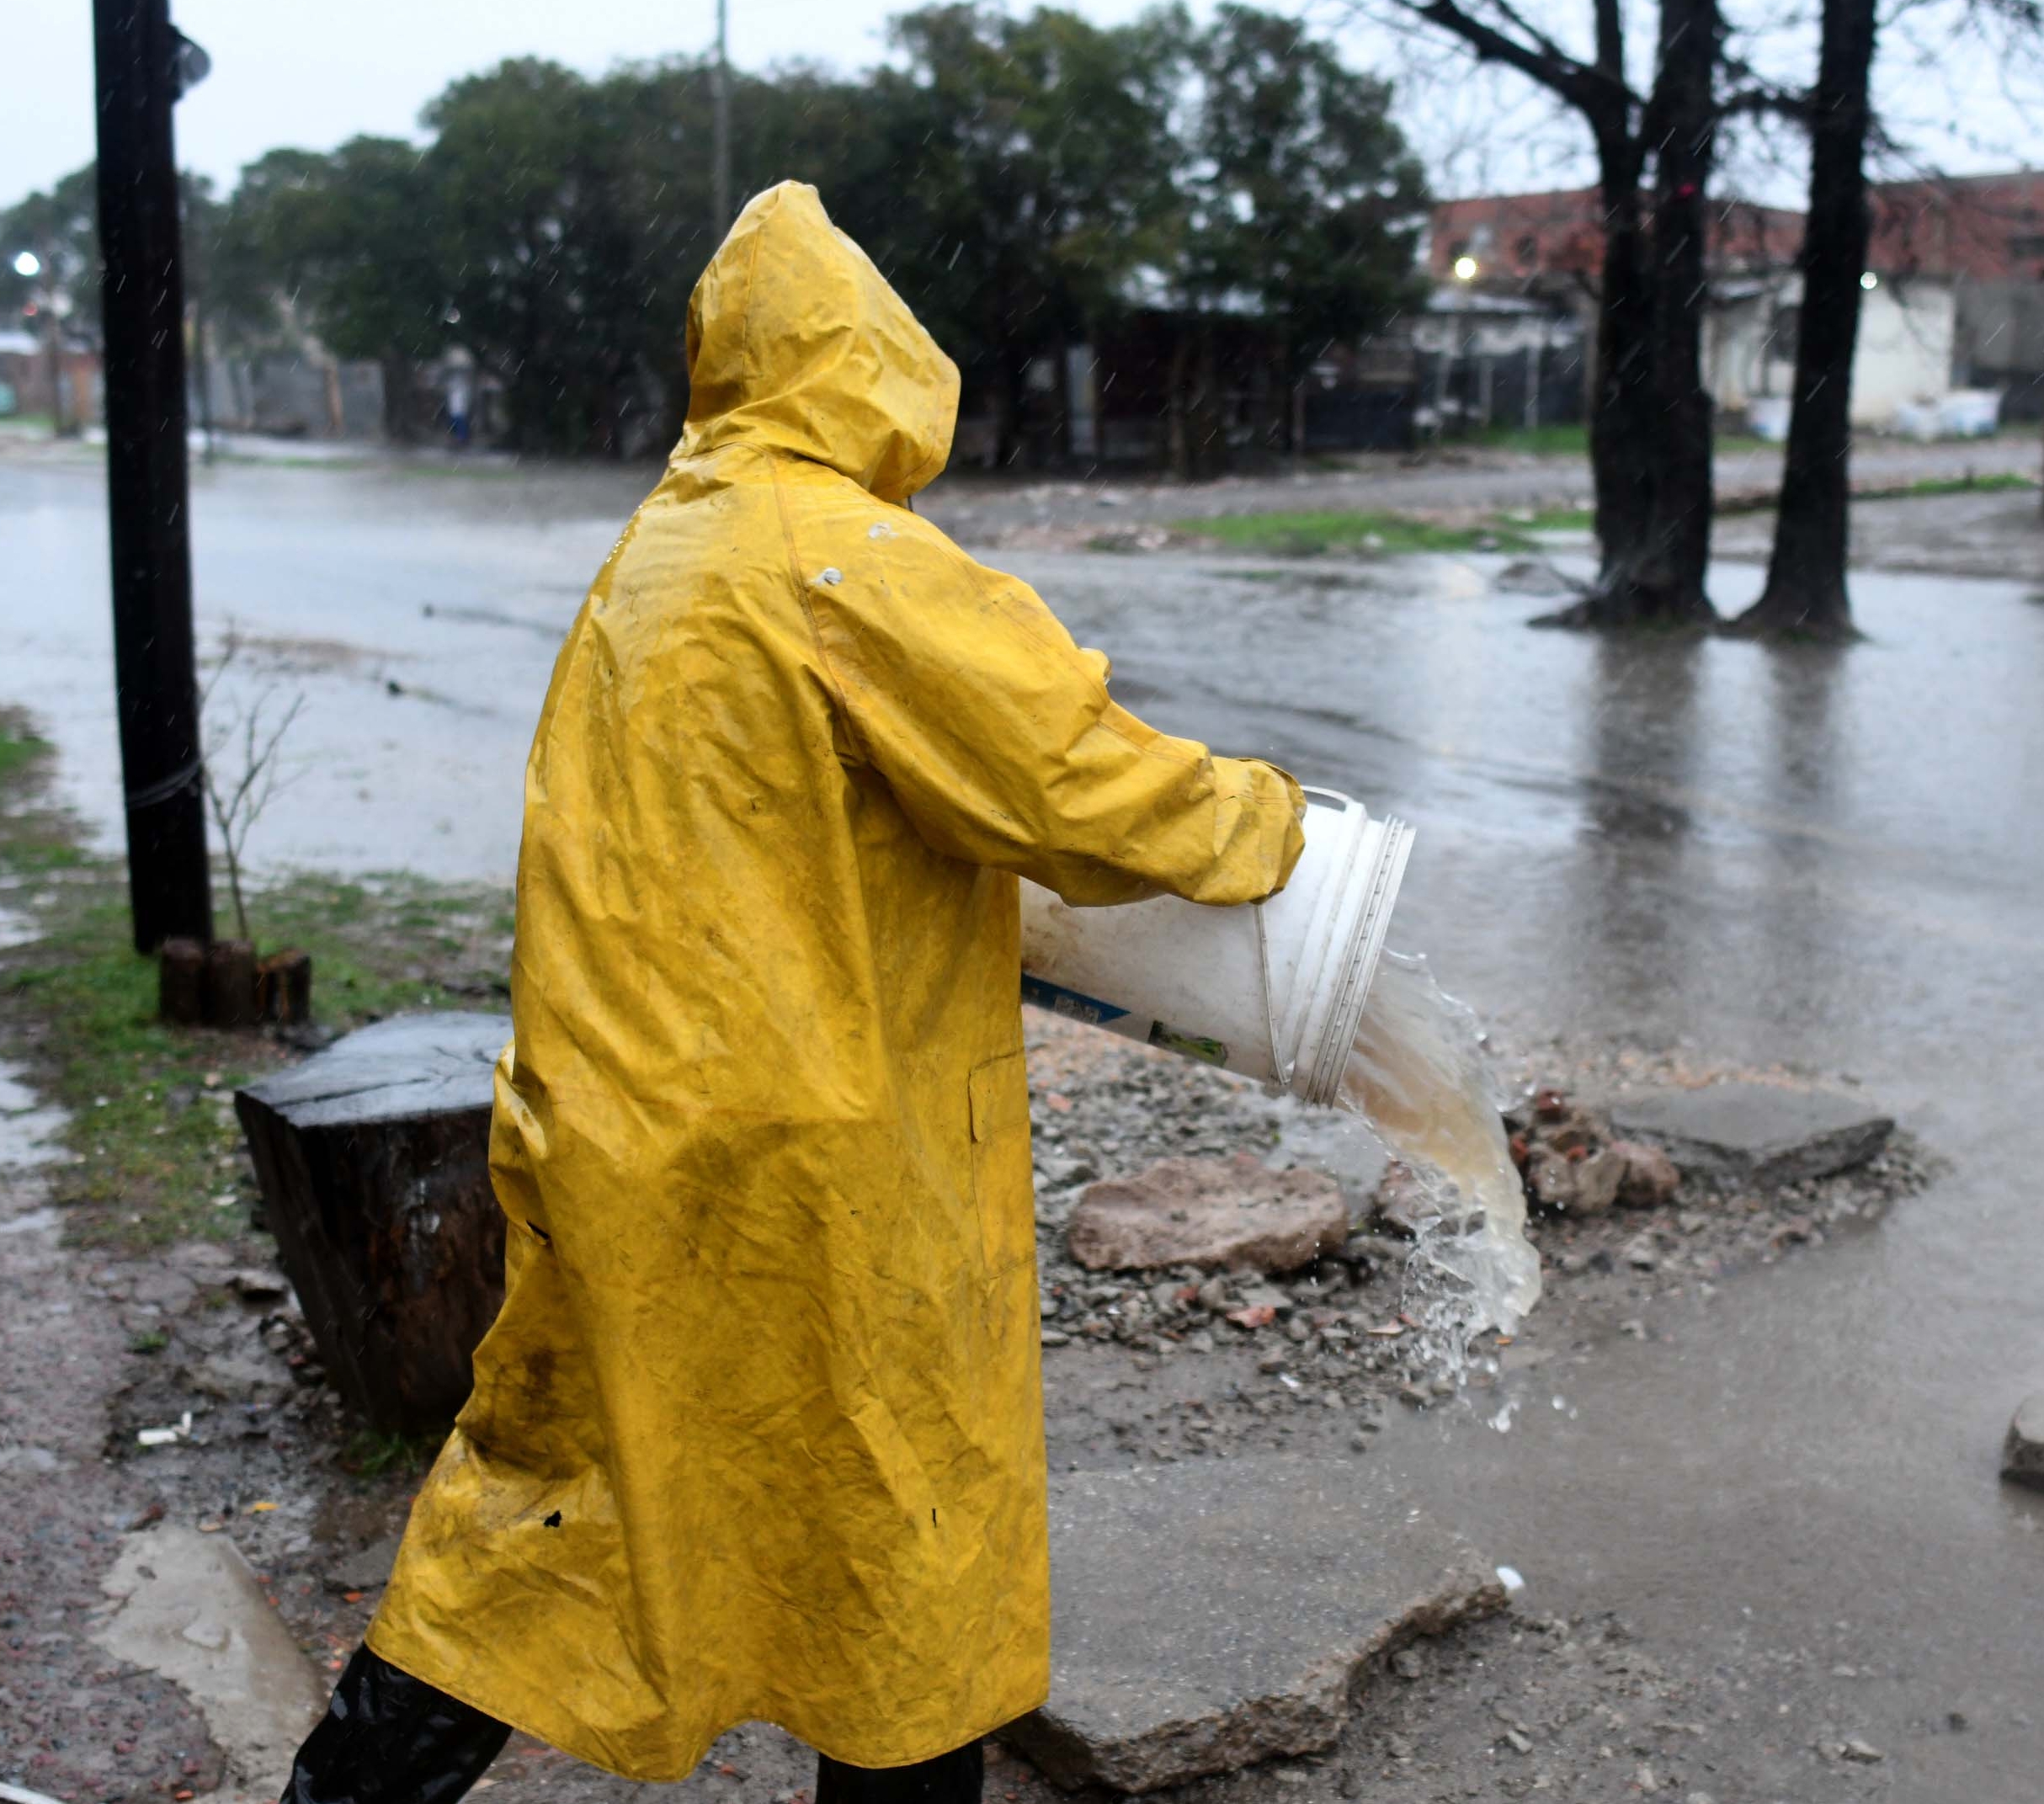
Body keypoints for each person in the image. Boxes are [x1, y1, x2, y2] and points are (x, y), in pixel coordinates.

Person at [279, 184, 1307, 1803]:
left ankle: (344, 1795)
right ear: (870, 358)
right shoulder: (846, 561)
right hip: (821, 1165)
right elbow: (1072, 783)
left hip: (618, 1131)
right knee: (900, 1532)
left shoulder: (656, 556)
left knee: (549, 1511)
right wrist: (1277, 823)